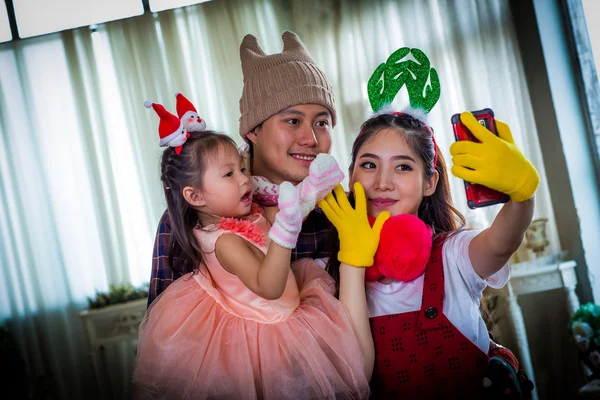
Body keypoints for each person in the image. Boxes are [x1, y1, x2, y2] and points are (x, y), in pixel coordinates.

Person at [134, 97, 370, 398]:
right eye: (229, 174)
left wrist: (307, 195)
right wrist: (286, 228)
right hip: (263, 335)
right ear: (195, 196)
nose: (245, 180)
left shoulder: (248, 213)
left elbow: (275, 214)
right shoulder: (225, 242)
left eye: (242, 169)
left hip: (290, 313)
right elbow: (268, 285)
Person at [320, 110, 539, 398]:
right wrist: (352, 260)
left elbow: (501, 243)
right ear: (351, 178)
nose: (382, 182)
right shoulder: (329, 271)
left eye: (403, 167)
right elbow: (355, 375)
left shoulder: (454, 254)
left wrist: (523, 197)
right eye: (369, 164)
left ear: (429, 183)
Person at [147, 31, 337, 307]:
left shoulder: (340, 210)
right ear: (253, 132)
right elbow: (166, 337)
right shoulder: (193, 217)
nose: (311, 139)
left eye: (322, 123)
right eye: (293, 121)